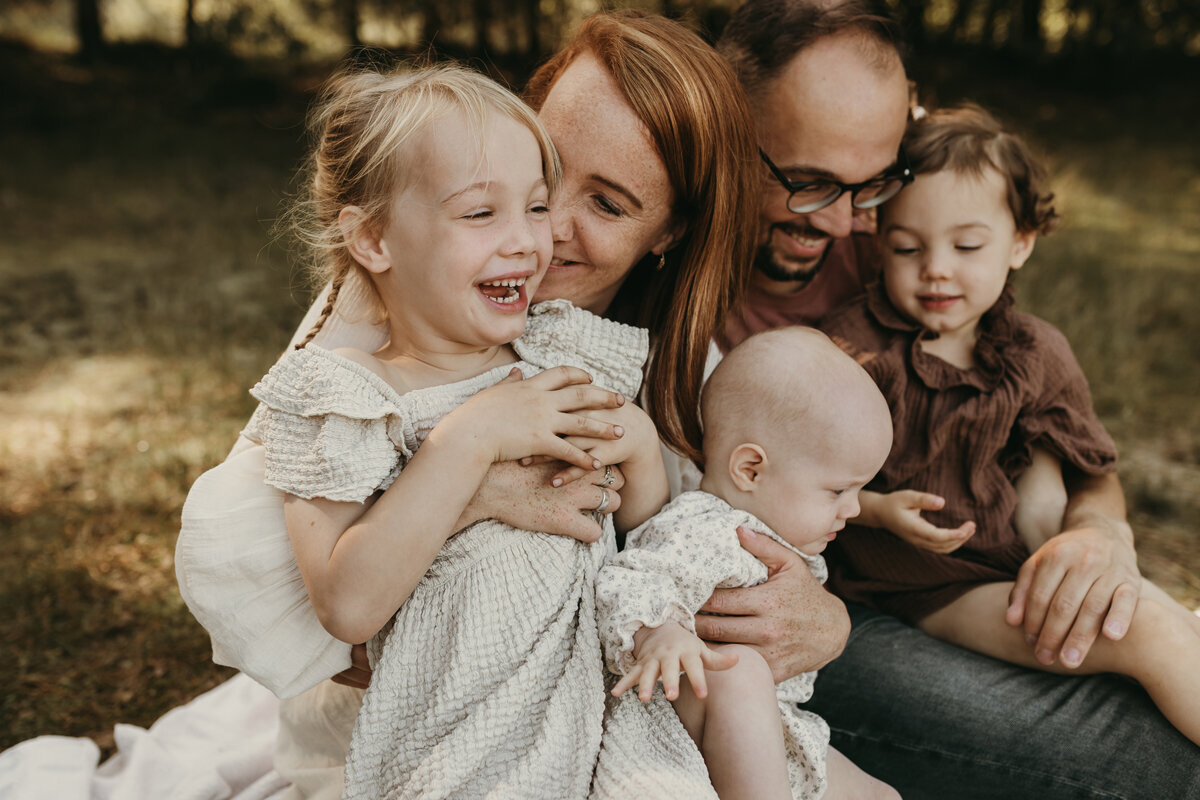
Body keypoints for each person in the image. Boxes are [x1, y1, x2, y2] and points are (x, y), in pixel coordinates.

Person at [177, 11, 777, 799]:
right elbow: (296, 585)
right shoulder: (382, 311)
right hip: (410, 737)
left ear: (670, 231)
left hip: (601, 726)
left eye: (607, 204)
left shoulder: (674, 366)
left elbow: (715, 561)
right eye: (545, 172)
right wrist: (473, 488)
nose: (542, 232)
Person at [710, 1, 1200, 796]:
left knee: (1151, 654)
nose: (846, 224)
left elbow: (1079, 460)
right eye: (806, 184)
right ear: (726, 129)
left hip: (988, 565)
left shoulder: (911, 229)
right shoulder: (677, 292)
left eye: (869, 188)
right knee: (1149, 757)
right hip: (848, 605)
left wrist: (1100, 531)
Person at [821, 103, 1200, 748]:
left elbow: (1091, 473)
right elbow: (791, 481)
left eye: (967, 246)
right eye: (907, 247)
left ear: (1020, 242)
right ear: (879, 238)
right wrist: (878, 511)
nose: (937, 267)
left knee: (1167, 613)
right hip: (935, 586)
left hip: (1027, 557)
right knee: (1151, 633)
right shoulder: (854, 353)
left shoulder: (1033, 351)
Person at [595, 327, 898, 800]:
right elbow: (630, 577)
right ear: (750, 469)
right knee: (740, 672)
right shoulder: (706, 529)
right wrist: (659, 633)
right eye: (838, 491)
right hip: (711, 722)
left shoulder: (771, 533)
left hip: (776, 734)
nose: (853, 510)